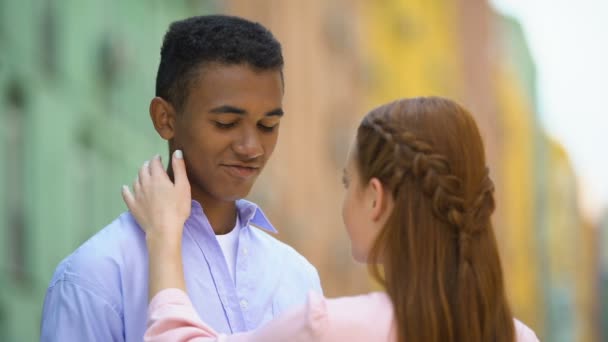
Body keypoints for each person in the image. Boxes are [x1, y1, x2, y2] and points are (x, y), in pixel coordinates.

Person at [124, 97, 540, 342]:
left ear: (375, 198)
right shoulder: (522, 337)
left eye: (348, 183)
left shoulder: (333, 328)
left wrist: (164, 234)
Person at [40, 15, 322, 341]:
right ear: (165, 119)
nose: (252, 147)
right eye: (227, 123)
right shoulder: (94, 277)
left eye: (267, 126)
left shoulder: (299, 278)